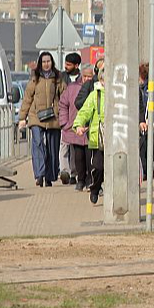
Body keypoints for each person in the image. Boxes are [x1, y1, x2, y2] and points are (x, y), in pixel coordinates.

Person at [18, 51, 65, 187]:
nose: (46, 64)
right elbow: (27, 98)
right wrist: (22, 117)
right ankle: (39, 174)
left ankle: (50, 176)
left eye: (48, 61)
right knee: (38, 144)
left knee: (52, 147)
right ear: (40, 63)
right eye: (43, 62)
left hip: (53, 117)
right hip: (36, 116)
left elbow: (64, 97)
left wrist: (63, 115)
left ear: (52, 62)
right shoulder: (35, 78)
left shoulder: (57, 78)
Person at [74, 68, 107, 205]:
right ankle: (95, 188)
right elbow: (84, 112)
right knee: (98, 167)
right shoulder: (95, 95)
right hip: (98, 138)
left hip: (118, 138)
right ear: (101, 81)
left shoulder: (120, 94)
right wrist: (78, 125)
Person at [60, 61, 91, 192]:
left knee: (90, 157)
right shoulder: (72, 88)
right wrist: (65, 123)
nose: (88, 79)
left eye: (90, 77)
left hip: (91, 130)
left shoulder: (97, 88)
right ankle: (81, 180)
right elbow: (63, 105)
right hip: (75, 129)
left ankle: (90, 180)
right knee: (78, 157)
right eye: (86, 77)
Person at [58, 53, 83, 184]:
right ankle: (64, 172)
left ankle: (74, 174)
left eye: (68, 64)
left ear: (76, 65)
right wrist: (63, 121)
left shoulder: (82, 79)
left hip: (78, 119)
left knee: (75, 149)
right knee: (64, 146)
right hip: (65, 118)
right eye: (65, 64)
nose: (66, 66)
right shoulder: (61, 78)